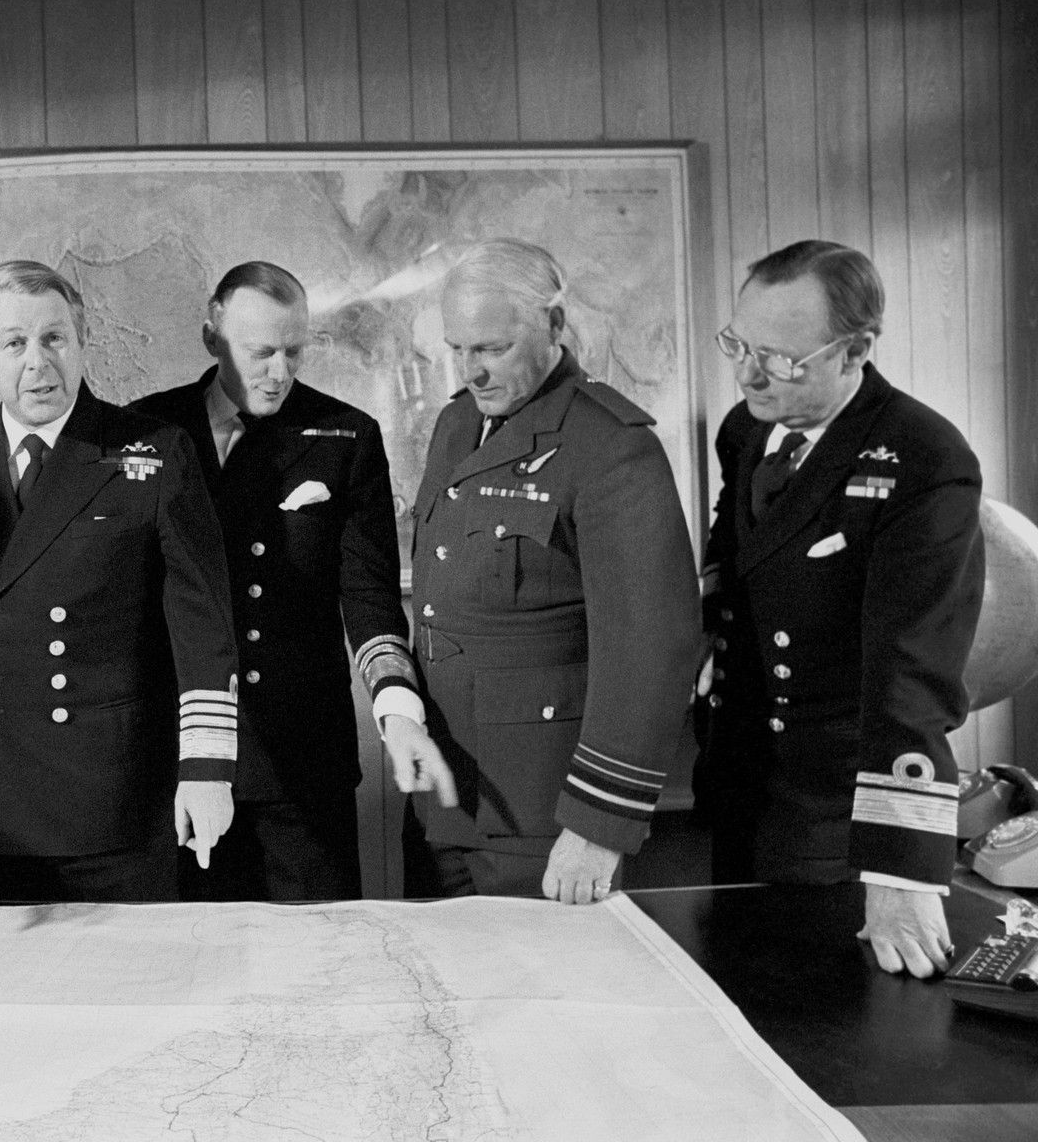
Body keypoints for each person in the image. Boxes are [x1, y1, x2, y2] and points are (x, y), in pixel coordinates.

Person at [694, 240, 984, 978]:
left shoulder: (923, 457)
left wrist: (900, 870)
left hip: (836, 812)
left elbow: (913, 672)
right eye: (739, 346)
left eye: (782, 359)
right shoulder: (746, 429)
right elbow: (735, 559)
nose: (749, 374)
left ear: (856, 349)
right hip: (740, 777)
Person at [130, 261, 454, 900]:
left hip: (303, 762)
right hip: (177, 759)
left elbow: (369, 598)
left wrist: (398, 712)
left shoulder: (346, 436)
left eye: (294, 351)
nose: (280, 372)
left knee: (322, 949)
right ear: (211, 337)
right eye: (261, 353)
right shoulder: (148, 434)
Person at [0, 260, 238, 901]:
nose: (37, 363)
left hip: (117, 786)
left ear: (82, 339)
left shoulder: (154, 449)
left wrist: (207, 769)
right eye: (14, 343)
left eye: (54, 338)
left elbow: (202, 624)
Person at [403, 239, 700, 902]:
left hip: (544, 811)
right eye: (458, 349)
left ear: (555, 326)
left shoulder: (611, 444)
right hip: (445, 792)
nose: (472, 372)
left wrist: (598, 824)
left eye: (492, 348)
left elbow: (652, 647)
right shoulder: (455, 423)